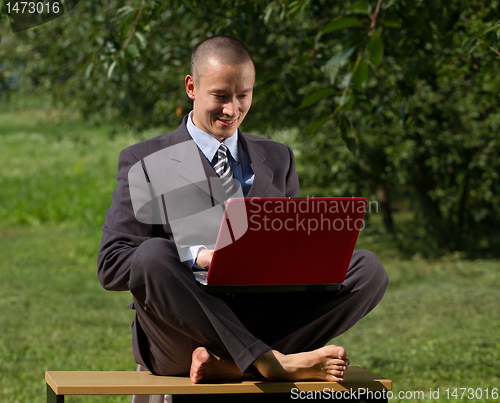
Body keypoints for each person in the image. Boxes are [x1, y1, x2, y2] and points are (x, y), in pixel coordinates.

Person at [97, 36, 389, 384]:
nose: (232, 109)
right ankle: (269, 360)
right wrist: (198, 256)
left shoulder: (278, 158)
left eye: (243, 96)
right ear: (192, 87)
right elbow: (112, 264)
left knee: (368, 269)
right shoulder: (145, 160)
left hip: (264, 318)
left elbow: (290, 249)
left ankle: (239, 363)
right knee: (150, 255)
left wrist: (309, 261)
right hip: (183, 334)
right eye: (220, 96)